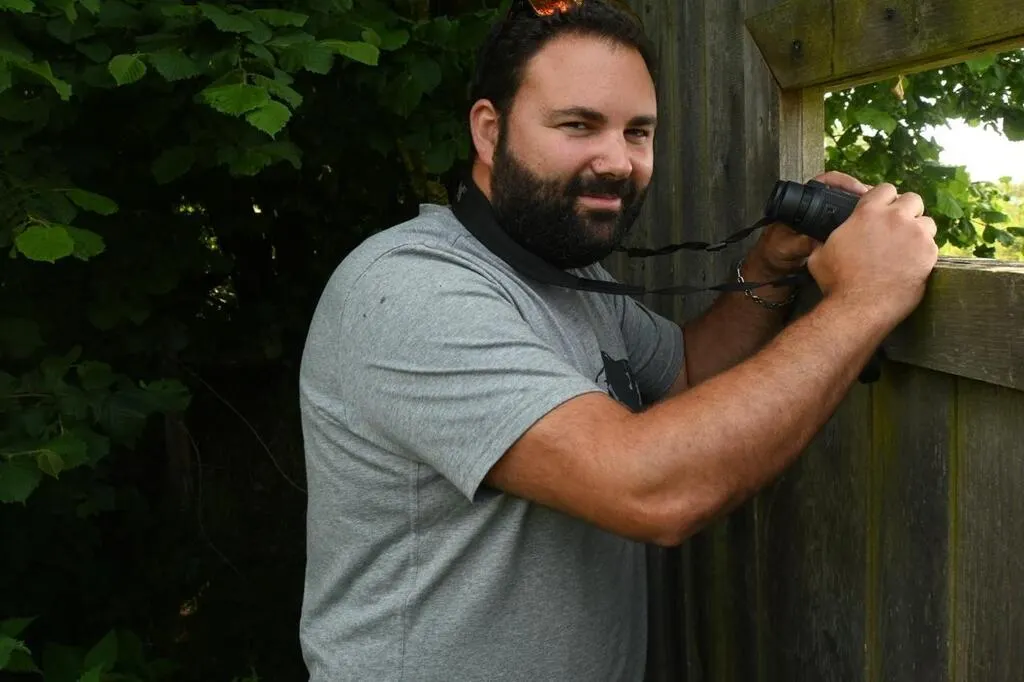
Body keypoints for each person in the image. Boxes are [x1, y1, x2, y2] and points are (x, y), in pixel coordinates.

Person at [296, 0, 939, 679]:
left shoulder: (566, 275)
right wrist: (865, 300)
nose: (617, 162)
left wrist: (768, 268)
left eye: (637, 132)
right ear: (489, 131)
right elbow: (649, 489)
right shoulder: (410, 290)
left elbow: (687, 373)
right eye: (578, 125)